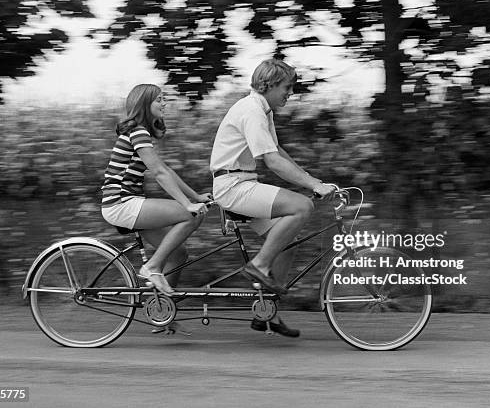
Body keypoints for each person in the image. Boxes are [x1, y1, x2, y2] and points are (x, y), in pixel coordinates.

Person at [210, 59, 335, 337]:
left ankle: (267, 313)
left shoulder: (263, 110)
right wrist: (311, 186)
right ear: (268, 85)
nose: (289, 93)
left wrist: (313, 180)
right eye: (286, 87)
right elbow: (271, 162)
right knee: (302, 207)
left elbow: (276, 150)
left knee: (288, 244)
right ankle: (258, 266)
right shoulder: (251, 110)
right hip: (232, 186)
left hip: (242, 182)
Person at [101, 84, 212, 302]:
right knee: (192, 215)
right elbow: (159, 173)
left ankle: (162, 312)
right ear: (144, 104)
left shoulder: (141, 133)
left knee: (179, 254)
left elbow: (167, 170)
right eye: (159, 99)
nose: (164, 103)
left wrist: (196, 197)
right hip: (121, 203)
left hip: (129, 203)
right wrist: (188, 205)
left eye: (164, 99)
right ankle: (152, 267)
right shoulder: (138, 131)